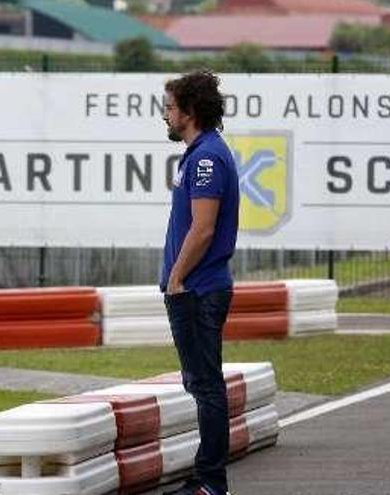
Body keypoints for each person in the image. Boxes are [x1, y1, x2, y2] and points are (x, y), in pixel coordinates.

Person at [159, 70, 240, 495]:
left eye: (170, 108)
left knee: (206, 385)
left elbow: (203, 228)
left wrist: (176, 278)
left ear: (189, 111)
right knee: (200, 383)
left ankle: (211, 482)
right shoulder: (199, 154)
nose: (166, 116)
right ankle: (208, 478)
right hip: (197, 287)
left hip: (198, 289)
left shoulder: (207, 157)